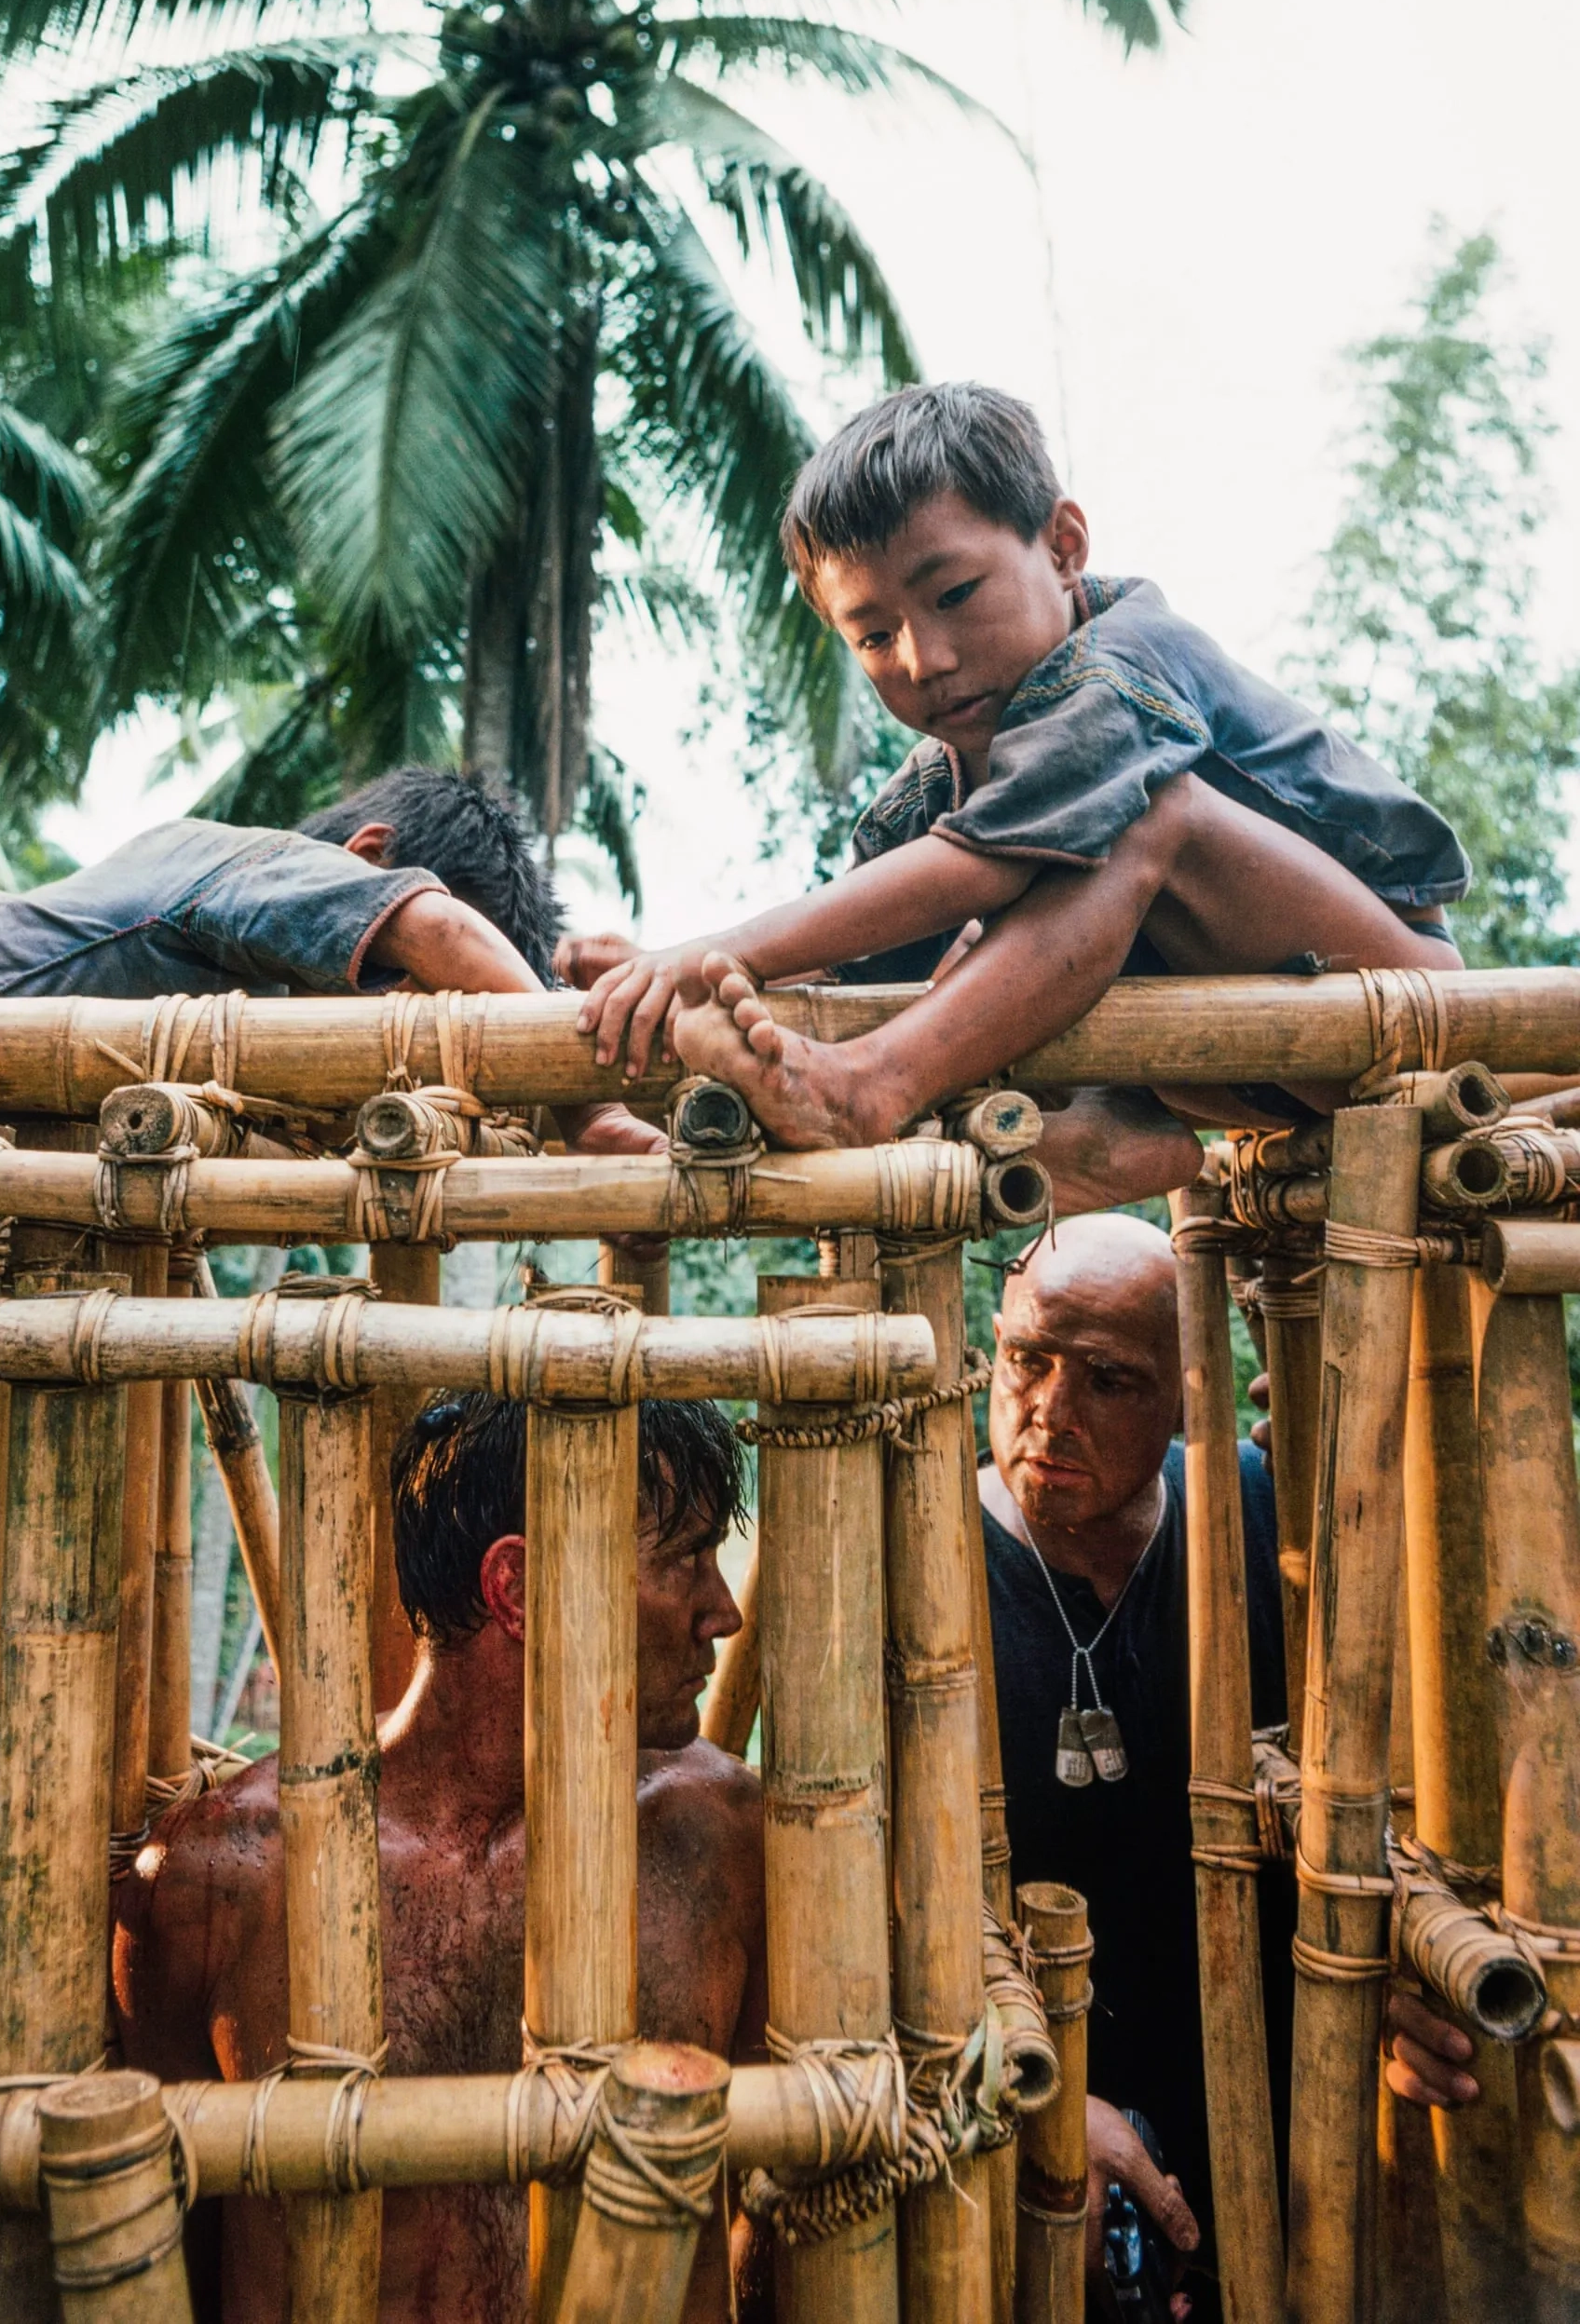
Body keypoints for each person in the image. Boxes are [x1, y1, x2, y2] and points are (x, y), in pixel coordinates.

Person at [564, 384, 1468, 1201]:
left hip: (1400, 1001)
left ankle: (876, 1084)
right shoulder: (931, 792)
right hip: (1231, 1077)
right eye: (875, 637)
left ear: (1065, 547)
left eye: (955, 593)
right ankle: (1110, 1137)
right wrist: (668, 980)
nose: (927, 658)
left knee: (1152, 815)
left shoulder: (1122, 666)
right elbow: (853, 958)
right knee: (957, 954)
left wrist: (715, 947)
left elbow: (982, 868)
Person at [115, 1389, 765, 2323]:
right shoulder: (222, 1879)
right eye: (684, 1560)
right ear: (518, 1589)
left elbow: (788, 2202)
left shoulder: (726, 1845)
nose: (724, 1611)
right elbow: (168, 2248)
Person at [978, 1214, 1476, 2319]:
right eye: (1026, 1359)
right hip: (1020, 2135)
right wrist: (1039, 2105)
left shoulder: (1275, 1526)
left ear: (1190, 1397)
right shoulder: (923, 1567)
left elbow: (1390, 1809)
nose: (1048, 1409)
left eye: (1107, 1378)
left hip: (1297, 2146)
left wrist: (1396, 1981)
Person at [0, 764, 659, 1153]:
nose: (402, 1010)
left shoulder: (253, 984)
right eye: (408, 992)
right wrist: (585, 1111)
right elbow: (443, 934)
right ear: (366, 857)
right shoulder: (257, 863)